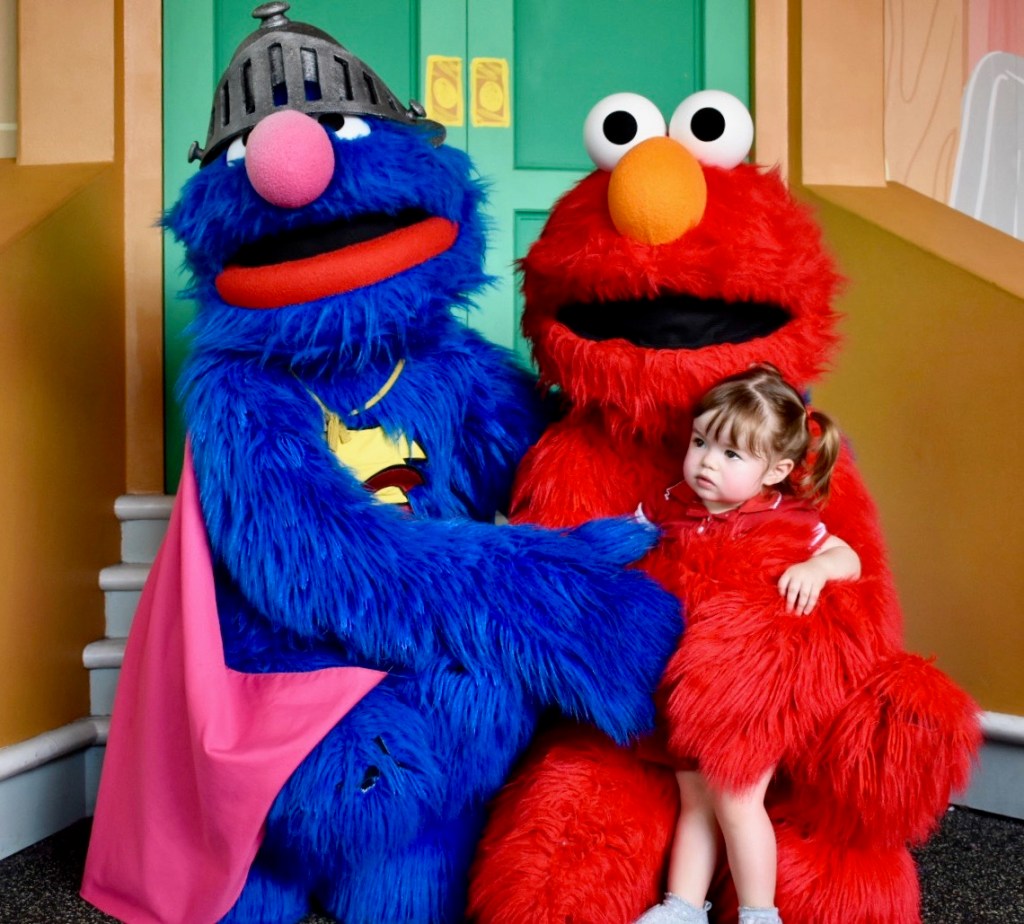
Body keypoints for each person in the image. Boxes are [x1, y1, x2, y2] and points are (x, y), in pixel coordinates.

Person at [635, 364, 862, 924]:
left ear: (775, 471)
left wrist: (817, 568)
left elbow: (849, 558)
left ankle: (761, 913)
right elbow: (623, 545)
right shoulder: (669, 505)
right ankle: (683, 906)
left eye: (731, 454)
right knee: (695, 798)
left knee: (737, 799)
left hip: (744, 693)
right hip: (685, 685)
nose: (707, 462)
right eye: (700, 442)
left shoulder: (785, 518)